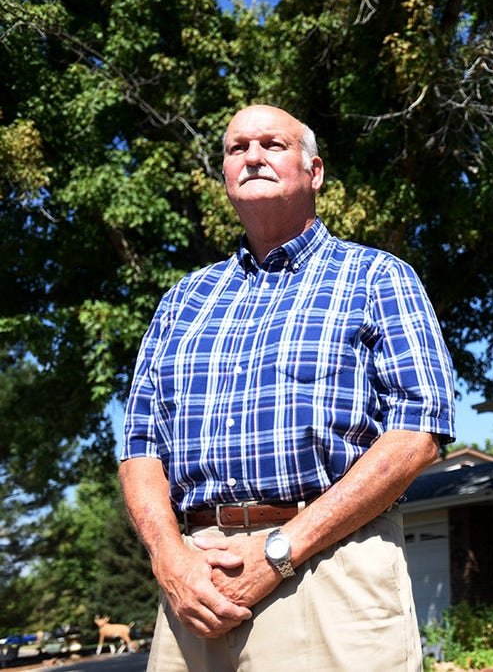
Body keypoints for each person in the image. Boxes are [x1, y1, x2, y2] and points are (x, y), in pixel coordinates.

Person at [120, 104, 455, 671]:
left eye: (273, 145)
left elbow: (419, 432)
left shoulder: (377, 277)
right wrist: (168, 558)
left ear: (314, 171)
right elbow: (140, 450)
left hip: (329, 573)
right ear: (225, 174)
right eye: (236, 149)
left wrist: (280, 549)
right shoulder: (183, 301)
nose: (252, 156)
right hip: (194, 587)